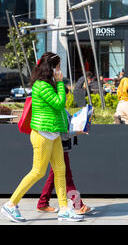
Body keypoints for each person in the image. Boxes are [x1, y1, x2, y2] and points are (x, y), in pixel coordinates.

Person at [1, 52, 84, 222]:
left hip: (53, 133)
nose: (60, 70)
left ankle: (64, 209)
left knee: (60, 170)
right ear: (51, 68)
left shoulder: (49, 84)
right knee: (38, 171)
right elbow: (59, 103)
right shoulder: (41, 85)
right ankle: (10, 204)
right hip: (42, 134)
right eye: (58, 67)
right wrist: (61, 83)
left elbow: (59, 107)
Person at [37, 87, 94, 215]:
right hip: (60, 148)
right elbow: (64, 134)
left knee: (54, 176)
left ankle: (42, 203)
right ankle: (78, 205)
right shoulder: (59, 110)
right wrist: (79, 131)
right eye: (65, 95)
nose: (66, 98)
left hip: (61, 148)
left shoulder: (60, 110)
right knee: (66, 177)